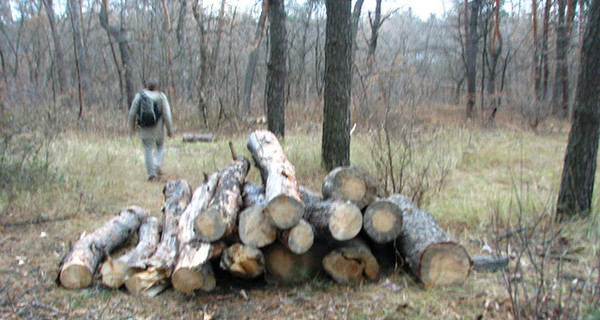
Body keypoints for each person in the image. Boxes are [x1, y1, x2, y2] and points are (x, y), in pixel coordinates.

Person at [128, 79, 173, 181]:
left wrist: (131, 130)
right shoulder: (161, 97)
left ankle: (151, 174)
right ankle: (157, 164)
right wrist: (170, 131)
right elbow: (167, 115)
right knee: (160, 146)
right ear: (156, 87)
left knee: (148, 149)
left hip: (145, 129)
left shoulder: (139, 96)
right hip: (158, 130)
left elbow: (131, 114)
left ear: (146, 86)